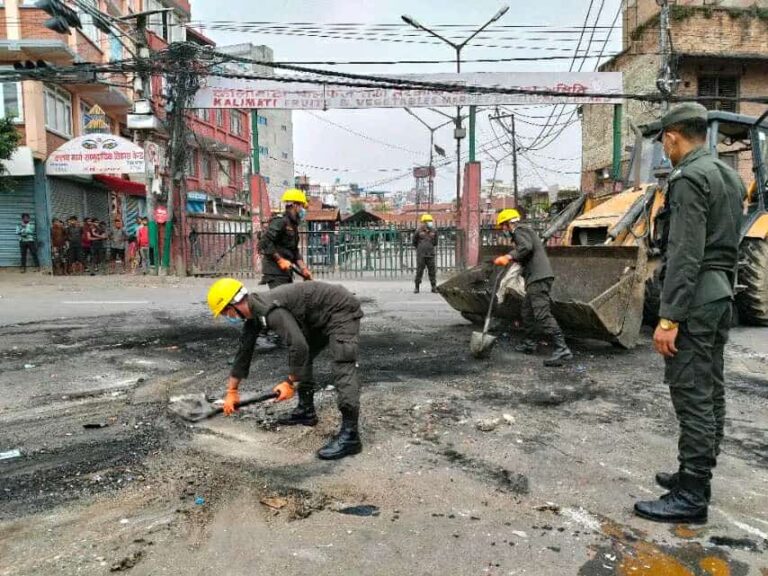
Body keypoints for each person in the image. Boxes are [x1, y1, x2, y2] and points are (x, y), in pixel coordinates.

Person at [633, 103, 743, 525]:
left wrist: (669, 318)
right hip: (720, 294)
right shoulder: (728, 176)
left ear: (673, 136)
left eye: (665, 142)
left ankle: (692, 495)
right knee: (710, 389)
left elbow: (684, 253)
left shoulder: (689, 178)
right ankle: (695, 473)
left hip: (695, 297)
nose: (665, 149)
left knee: (693, 392)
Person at [207, 278, 364, 460]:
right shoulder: (255, 312)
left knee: (343, 362)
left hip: (340, 308)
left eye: (225, 312)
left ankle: (351, 436)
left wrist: (290, 382)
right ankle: (306, 411)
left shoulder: (270, 311)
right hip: (319, 313)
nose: (227, 317)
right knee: (303, 357)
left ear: (232, 305)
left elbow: (298, 346)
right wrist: (232, 391)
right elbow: (244, 351)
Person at [493, 208, 572, 367]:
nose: (502, 230)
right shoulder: (524, 232)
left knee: (542, 314)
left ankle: (562, 349)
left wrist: (508, 256)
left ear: (509, 223)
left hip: (539, 278)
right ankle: (530, 343)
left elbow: (526, 247)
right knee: (527, 312)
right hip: (534, 279)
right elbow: (526, 252)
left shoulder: (520, 230)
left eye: (503, 226)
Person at [258, 188, 312, 288]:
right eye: (302, 206)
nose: (303, 210)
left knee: (289, 297)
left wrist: (303, 268)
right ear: (295, 205)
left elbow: (294, 250)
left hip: (286, 271)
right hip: (274, 271)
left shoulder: (293, 225)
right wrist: (280, 260)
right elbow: (265, 241)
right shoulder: (280, 221)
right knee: (281, 297)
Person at [412, 213, 439, 293]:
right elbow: (414, 242)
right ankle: (417, 287)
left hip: (430, 254)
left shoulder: (434, 231)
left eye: (430, 221)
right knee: (419, 271)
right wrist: (420, 247)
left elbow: (435, 242)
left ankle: (433, 287)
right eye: (428, 221)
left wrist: (428, 246)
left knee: (432, 271)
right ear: (424, 222)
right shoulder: (418, 230)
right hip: (421, 255)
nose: (430, 222)